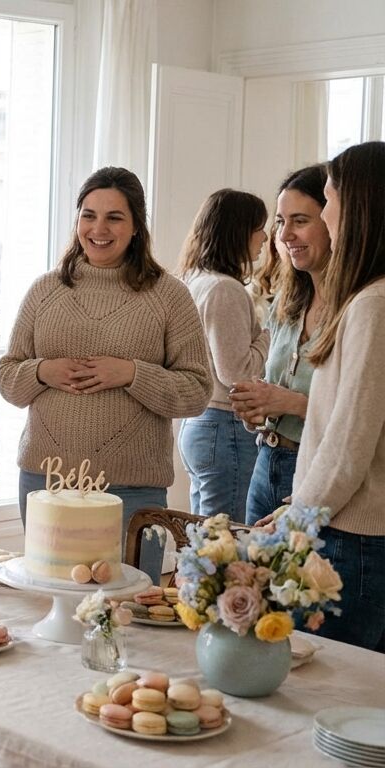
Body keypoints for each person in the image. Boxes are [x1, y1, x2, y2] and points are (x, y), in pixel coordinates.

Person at [0, 167, 212, 579]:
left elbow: (198, 390)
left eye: (114, 217)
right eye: (88, 214)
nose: (99, 228)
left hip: (133, 490)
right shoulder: (44, 291)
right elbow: (8, 378)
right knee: (50, 604)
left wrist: (132, 374)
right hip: (47, 482)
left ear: (136, 227)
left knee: (127, 618)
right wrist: (42, 371)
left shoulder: (170, 296)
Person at [286, 142, 385, 652]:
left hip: (355, 538)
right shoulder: (368, 298)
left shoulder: (373, 304)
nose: (325, 214)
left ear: (360, 205)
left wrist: (297, 516)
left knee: (332, 696)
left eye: (328, 200)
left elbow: (349, 441)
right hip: (351, 529)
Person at [229, 165, 330, 525]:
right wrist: (257, 411)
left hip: (318, 472)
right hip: (266, 463)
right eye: (279, 221)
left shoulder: (359, 309)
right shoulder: (287, 303)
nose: (285, 234)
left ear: (334, 220)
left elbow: (362, 415)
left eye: (299, 220)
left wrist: (292, 403)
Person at [177, 189, 270, 522]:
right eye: (260, 227)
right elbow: (236, 374)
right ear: (239, 231)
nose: (265, 236)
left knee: (204, 542)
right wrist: (269, 336)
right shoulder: (225, 289)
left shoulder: (195, 281)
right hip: (224, 426)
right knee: (224, 545)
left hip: (201, 424)